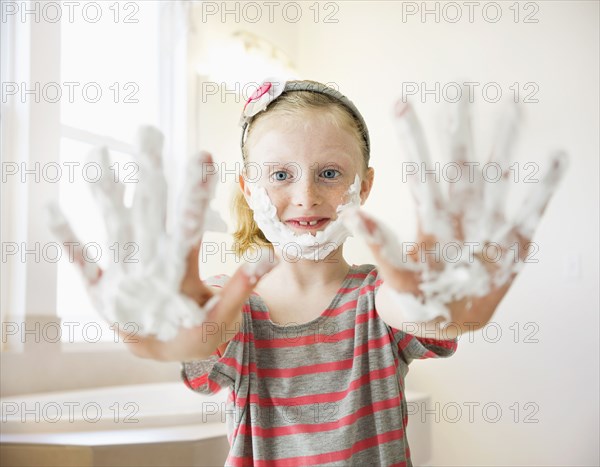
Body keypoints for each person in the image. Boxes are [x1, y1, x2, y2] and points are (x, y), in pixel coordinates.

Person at [49, 78, 566, 466]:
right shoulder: (235, 309)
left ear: (362, 186)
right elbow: (211, 329)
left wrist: (440, 310)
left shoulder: (376, 299)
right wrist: (183, 336)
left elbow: (413, 309)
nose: (305, 196)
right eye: (280, 174)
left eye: (329, 173)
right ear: (249, 189)